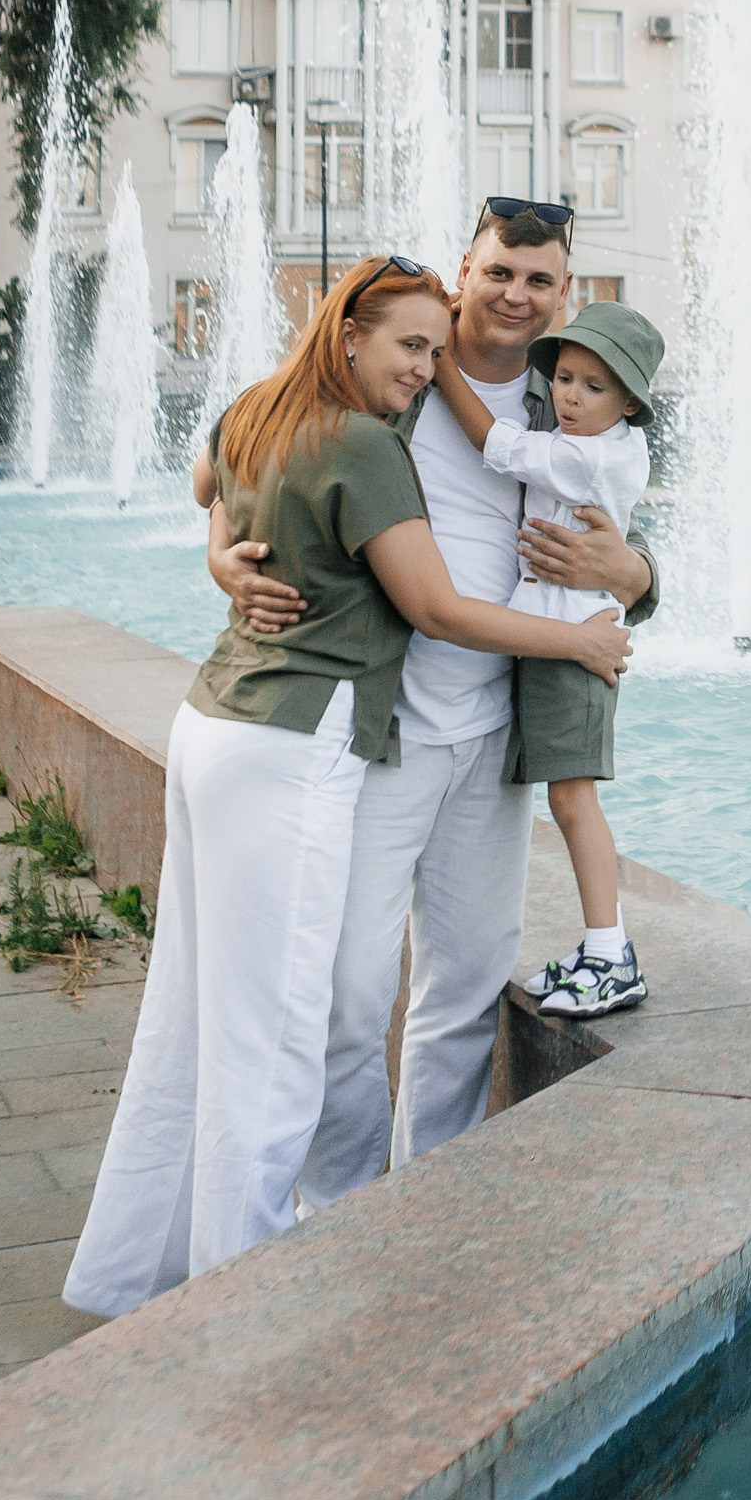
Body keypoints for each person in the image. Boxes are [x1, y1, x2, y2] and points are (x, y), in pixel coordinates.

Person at [64, 254, 628, 1318]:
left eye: (541, 280)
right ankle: (263, 1279)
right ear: (355, 333)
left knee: (205, 1012)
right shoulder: (369, 435)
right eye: (411, 344)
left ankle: (151, 1267)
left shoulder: (268, 406)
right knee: (291, 1016)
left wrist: (225, 547)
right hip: (314, 735)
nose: (424, 365)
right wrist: (581, 647)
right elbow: (435, 609)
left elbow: (208, 481)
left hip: (228, 721)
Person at [212, 200, 656, 1206]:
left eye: (540, 280)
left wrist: (633, 572)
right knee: (349, 994)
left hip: (495, 733)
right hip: (382, 732)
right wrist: (218, 555)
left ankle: (426, 1203)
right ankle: (338, 1207)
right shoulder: (396, 373)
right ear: (467, 269)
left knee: (463, 985)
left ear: (564, 295)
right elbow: (233, 460)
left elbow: (618, 550)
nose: (516, 295)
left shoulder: (568, 401)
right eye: (500, 271)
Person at [433, 301, 662, 1020]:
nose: (568, 395)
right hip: (554, 635)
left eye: (593, 386)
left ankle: (611, 954)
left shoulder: (585, 454)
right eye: (564, 377)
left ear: (627, 402)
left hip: (574, 644)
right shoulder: (599, 441)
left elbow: (493, 442)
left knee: (572, 799)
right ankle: (599, 945)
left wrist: (440, 362)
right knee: (564, 799)